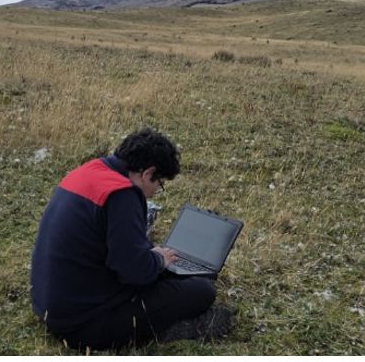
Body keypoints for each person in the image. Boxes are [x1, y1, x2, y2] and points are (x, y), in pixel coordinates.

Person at [30, 127, 232, 350]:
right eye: (160, 183)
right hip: (84, 325)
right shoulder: (122, 194)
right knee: (202, 291)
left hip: (50, 308)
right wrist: (157, 262)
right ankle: (173, 330)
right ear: (148, 174)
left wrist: (150, 257)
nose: (156, 190)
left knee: (168, 275)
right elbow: (134, 273)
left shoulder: (88, 171)